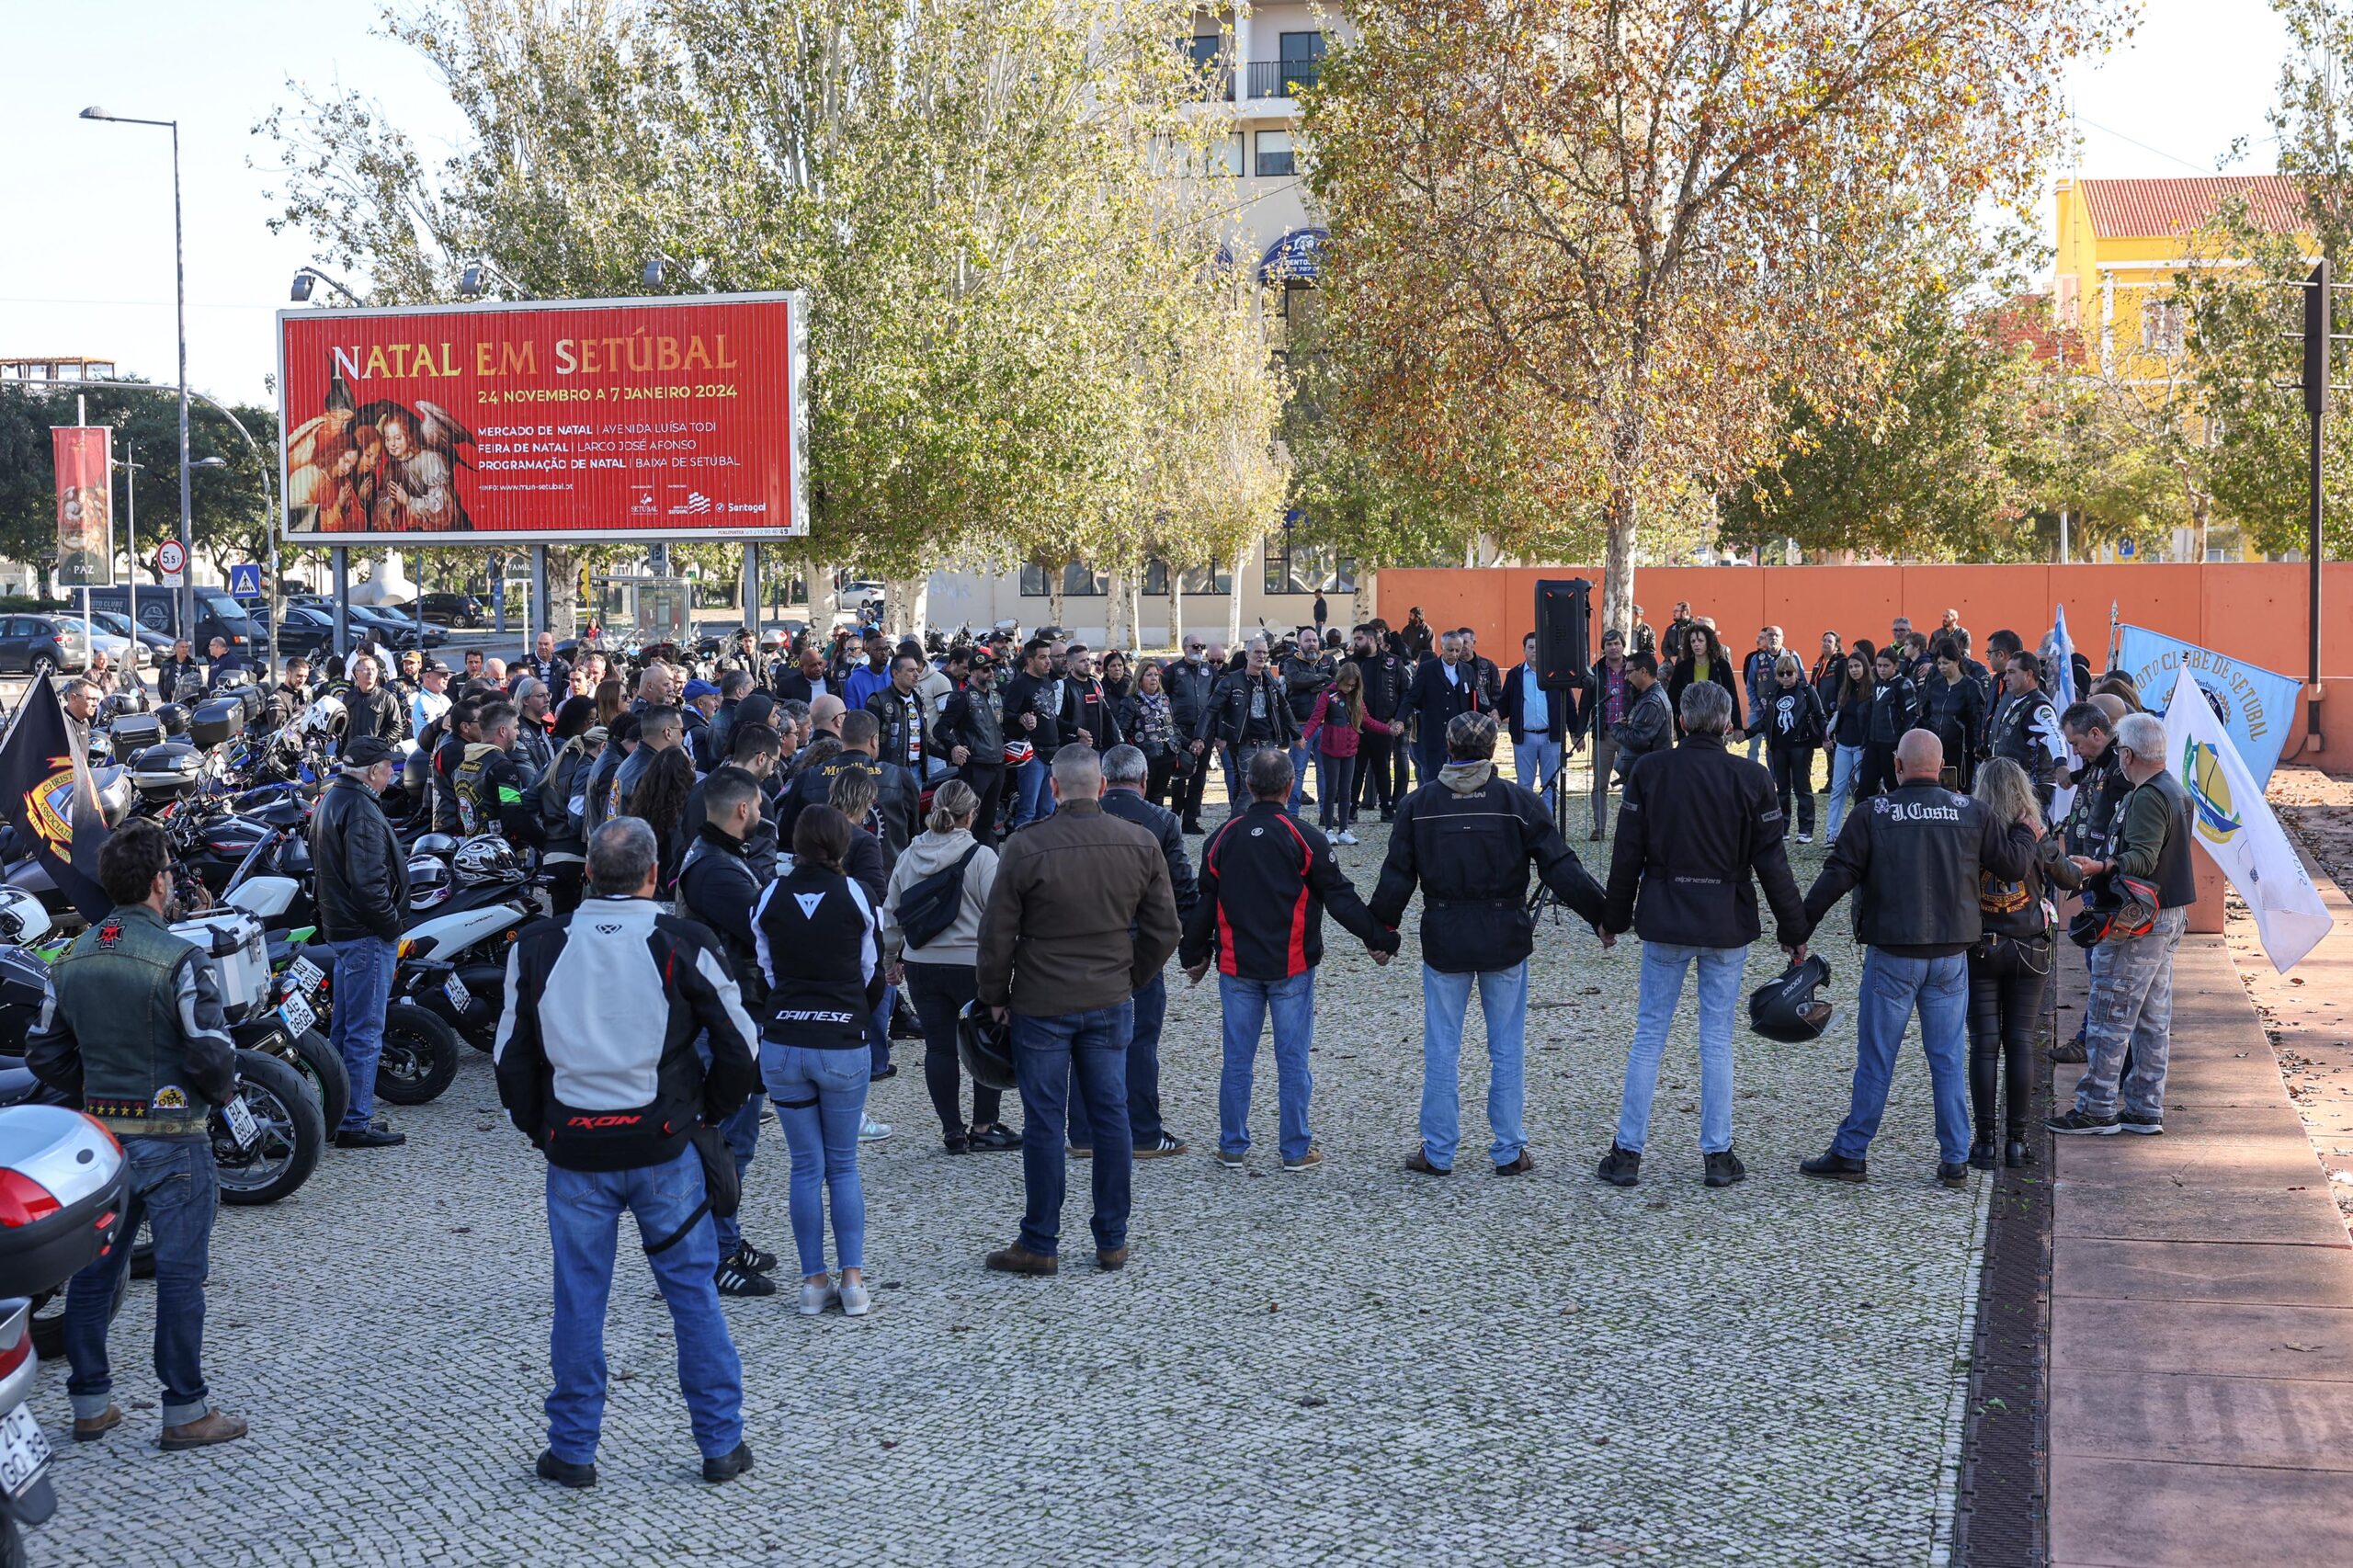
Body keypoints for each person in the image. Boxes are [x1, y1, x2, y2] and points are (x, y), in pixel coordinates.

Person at [493, 817, 759, 1487]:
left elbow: (509, 1058)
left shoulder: (537, 945)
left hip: (576, 1150)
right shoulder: (682, 940)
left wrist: (543, 1129)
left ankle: (573, 1450)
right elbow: (741, 1046)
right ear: (655, 874)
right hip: (664, 1146)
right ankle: (720, 1444)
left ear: (587, 872)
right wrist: (710, 1114)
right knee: (693, 1297)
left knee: (579, 1300)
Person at [27, 818, 247, 1449]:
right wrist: (221, 1094)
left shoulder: (71, 959)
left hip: (102, 1142)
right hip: (174, 1136)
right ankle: (185, 1411)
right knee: (180, 1276)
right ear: (158, 882)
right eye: (170, 873)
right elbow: (211, 1052)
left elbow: (44, 1052)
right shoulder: (179, 957)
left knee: (94, 1275)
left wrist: (91, 1087)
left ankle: (90, 1406)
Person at [1796, 729, 2037, 1188]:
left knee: (1877, 1058)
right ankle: (1954, 1158)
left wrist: (1798, 928)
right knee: (1947, 1059)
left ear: (1897, 766)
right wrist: (2026, 831)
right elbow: (2012, 866)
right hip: (1951, 956)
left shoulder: (1873, 813)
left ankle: (1852, 1152)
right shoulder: (1972, 812)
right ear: (1942, 768)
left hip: (1893, 954)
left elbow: (1837, 875)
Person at [1371, 712, 1608, 1176]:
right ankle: (1509, 1149)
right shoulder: (1518, 802)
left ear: (1448, 747)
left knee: (1443, 1047)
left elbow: (1397, 875)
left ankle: (1439, 1150)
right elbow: (1560, 866)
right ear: (1493, 749)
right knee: (1506, 1048)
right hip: (1505, 935)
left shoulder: (1420, 804)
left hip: (1445, 934)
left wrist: (1381, 932)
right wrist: (1602, 915)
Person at [974, 747, 1180, 1276]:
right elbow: (1165, 929)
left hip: (1041, 1001)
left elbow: (996, 933)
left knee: (1045, 1121)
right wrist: (1130, 977)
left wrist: (994, 995)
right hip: (1109, 997)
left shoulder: (1026, 845)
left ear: (1054, 789)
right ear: (1104, 786)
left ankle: (1040, 1241)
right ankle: (1112, 1239)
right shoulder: (1139, 841)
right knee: (1111, 1116)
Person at [1597, 682, 1806, 1188]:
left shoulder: (1651, 771)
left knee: (1650, 1035)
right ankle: (1717, 1154)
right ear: (1728, 724)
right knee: (1716, 1039)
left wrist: (1613, 917)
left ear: (1683, 722)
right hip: (1724, 919)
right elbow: (1772, 862)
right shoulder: (1751, 777)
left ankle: (1627, 1153)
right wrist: (1794, 928)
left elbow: (1627, 853)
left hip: (1666, 915)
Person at [1183, 749, 1397, 1173]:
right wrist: (1379, 938)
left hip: (1238, 966)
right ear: (1290, 786)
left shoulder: (1223, 837)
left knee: (1237, 1060)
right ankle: (1295, 1149)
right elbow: (1339, 897)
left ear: (1248, 786)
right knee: (1293, 1060)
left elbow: (1204, 901)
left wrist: (1194, 953)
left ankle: (1232, 1145)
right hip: (1291, 965)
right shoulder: (1305, 837)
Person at [744, 804, 883, 1317]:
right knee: (842, 1165)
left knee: (805, 1166)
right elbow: (871, 971)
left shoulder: (768, 895)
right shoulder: (857, 894)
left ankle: (812, 1282)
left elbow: (765, 970)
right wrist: (848, 1010)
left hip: (783, 1042)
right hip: (842, 1039)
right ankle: (853, 1283)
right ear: (843, 844)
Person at [2049, 711, 2196, 1137]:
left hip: (2139, 920)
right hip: (2167, 914)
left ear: (2128, 754)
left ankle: (2096, 1107)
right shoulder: (2173, 788)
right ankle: (2144, 1108)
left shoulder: (2147, 795)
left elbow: (2142, 859)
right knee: (2151, 1019)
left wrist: (2101, 865)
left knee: (2109, 1014)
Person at [672, 767, 782, 1298]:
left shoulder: (720, 858)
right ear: (742, 810)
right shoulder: (716, 871)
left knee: (735, 1141)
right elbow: (766, 930)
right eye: (758, 806)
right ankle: (713, 1256)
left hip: (730, 1015)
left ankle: (725, 1239)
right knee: (724, 1145)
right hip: (721, 1022)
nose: (761, 814)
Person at [1071, 744, 1199, 1161]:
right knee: (1141, 1040)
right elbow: (1183, 890)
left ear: (1104, 781)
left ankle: (1084, 1132)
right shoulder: (1162, 821)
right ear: (1144, 781)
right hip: (1140, 945)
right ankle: (1143, 1130)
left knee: (1083, 1037)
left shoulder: (1077, 819)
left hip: (1084, 943)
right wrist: (1194, 948)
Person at [881, 780, 1016, 1154]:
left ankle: (952, 1131)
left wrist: (891, 960)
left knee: (939, 1049)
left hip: (922, 963)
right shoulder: (981, 857)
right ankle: (984, 1126)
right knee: (984, 1043)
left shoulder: (910, 855)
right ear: (971, 815)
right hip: (971, 965)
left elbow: (891, 914)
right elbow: (1000, 917)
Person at [1966, 757, 2082, 1169]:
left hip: (1981, 948)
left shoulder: (1972, 827)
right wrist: (2045, 841)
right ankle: (2016, 1143)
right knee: (2019, 1042)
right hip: (2029, 949)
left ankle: (1983, 1144)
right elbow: (2070, 878)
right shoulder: (2032, 831)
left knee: (1983, 1044)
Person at [311, 735, 412, 1150]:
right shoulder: (361, 808)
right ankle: (354, 1121)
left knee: (345, 1030)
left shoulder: (334, 799)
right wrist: (391, 927)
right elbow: (369, 886)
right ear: (373, 772)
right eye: (388, 769)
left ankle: (339, 1113)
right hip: (365, 934)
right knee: (364, 1032)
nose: (392, 776)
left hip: (345, 931)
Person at [1201, 639, 1296, 809]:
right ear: (1247, 655)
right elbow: (1212, 710)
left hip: (1268, 740)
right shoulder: (1232, 680)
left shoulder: (1268, 678)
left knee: (1268, 787)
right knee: (1248, 790)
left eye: (1265, 652)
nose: (1261, 656)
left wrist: (1297, 735)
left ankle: (1260, 820)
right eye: (1257, 652)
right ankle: (1236, 822)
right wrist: (1203, 737)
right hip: (1245, 742)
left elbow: (1284, 706)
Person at [936, 653, 1009, 847]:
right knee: (968, 817)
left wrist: (1022, 721)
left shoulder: (996, 697)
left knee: (988, 818)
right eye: (986, 669)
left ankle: (982, 855)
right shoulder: (962, 697)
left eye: (993, 668)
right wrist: (954, 746)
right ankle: (962, 853)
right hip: (975, 766)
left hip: (997, 764)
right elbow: (940, 728)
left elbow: (1003, 725)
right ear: (973, 673)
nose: (991, 673)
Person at [457, 701, 551, 850]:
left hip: (473, 849)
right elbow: (513, 813)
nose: (518, 733)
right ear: (503, 731)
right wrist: (545, 842)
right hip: (501, 852)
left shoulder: (463, 763)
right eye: (515, 727)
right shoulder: (501, 766)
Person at [1301, 660, 1376, 844]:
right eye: (1347, 684)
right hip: (1330, 750)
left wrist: (1388, 729)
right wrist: (1304, 737)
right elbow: (1315, 719)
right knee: (1331, 789)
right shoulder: (1328, 695)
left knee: (1346, 791)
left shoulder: (1355, 697)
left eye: (1352, 685)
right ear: (1340, 680)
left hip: (1350, 751)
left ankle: (1344, 830)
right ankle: (1328, 829)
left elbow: (1367, 720)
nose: (1349, 688)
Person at [1756, 652, 1827, 845]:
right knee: (1782, 789)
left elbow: (1820, 715)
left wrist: (1826, 736)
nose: (1786, 677)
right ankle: (1782, 828)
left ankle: (1806, 829)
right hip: (1778, 746)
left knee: (1802, 787)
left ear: (1796, 673)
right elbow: (1765, 721)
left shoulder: (1807, 691)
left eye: (1789, 673)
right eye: (1782, 674)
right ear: (1777, 676)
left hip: (1801, 745)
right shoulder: (1774, 694)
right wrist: (1745, 733)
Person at [1398, 631, 1483, 784]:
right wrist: (1400, 719)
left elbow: (1474, 701)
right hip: (1434, 735)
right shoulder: (1427, 669)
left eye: (1458, 650)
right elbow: (1411, 698)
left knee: (1460, 780)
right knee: (1433, 779)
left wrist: (1494, 712)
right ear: (1442, 647)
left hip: (1460, 736)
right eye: (1450, 650)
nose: (1454, 654)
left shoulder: (1467, 670)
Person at [1346, 626, 1410, 824]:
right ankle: (1351, 808)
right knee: (1356, 768)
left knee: (1382, 767)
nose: (1356, 643)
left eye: (1359, 639)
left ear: (1372, 640)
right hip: (1357, 726)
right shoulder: (1351, 663)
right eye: (1355, 639)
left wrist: (1397, 718)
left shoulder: (1393, 662)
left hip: (1384, 724)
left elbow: (1405, 692)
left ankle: (1387, 808)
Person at [1500, 631, 1567, 820]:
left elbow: (1568, 703)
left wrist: (1576, 733)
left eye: (1538, 648)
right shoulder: (1515, 674)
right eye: (1530, 647)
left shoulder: (1556, 674)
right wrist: (1497, 713)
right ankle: (1526, 822)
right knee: (1524, 785)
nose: (1535, 651)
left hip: (1551, 738)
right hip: (1524, 738)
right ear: (1524, 650)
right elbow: (1505, 701)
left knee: (1551, 783)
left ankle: (1548, 821)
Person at [1002, 639, 1066, 829]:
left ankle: (1043, 845)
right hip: (1032, 755)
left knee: (1048, 809)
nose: (1048, 662)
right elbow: (1005, 715)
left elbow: (1051, 716)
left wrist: (1075, 729)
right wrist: (1021, 719)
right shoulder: (1019, 685)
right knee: (1028, 810)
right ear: (1030, 660)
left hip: (1052, 752)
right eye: (1043, 657)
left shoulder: (1047, 682)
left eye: (1048, 657)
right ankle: (1021, 845)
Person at [1988, 650, 2064, 808]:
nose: (2005, 677)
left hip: (2029, 792)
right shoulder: (2019, 701)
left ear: (2028, 674)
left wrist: (2061, 764)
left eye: (2011, 672)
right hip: (2012, 789)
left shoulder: (2039, 707)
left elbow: (2054, 736)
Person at [1164, 637, 1220, 833]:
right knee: (1179, 773)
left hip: (1204, 730)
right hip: (1180, 729)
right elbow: (1164, 698)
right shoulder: (1172, 671)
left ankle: (1191, 819)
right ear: (1184, 648)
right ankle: (1175, 813)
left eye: (1202, 647)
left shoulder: (1210, 671)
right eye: (1195, 646)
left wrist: (1218, 733)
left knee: (1199, 776)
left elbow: (1217, 702)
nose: (1199, 650)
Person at [1580, 628, 1631, 841]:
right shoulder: (1595, 671)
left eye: (1617, 643)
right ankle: (1599, 827)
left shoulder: (1633, 668)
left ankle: (1629, 826)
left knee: (1630, 782)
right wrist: (1578, 733)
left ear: (1623, 646)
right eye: (1609, 644)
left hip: (1629, 735)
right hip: (1604, 734)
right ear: (1603, 648)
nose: (1613, 648)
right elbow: (1585, 705)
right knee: (1600, 783)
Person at [1922, 638, 1988, 793]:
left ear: (1957, 661)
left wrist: (1978, 746)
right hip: (1936, 748)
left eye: (1946, 663)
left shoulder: (1970, 686)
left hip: (1960, 750)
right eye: (1939, 663)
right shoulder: (1935, 685)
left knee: (1959, 791)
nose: (1941, 667)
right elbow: (1926, 714)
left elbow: (1977, 718)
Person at [1116, 660, 1184, 810]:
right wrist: (1131, 754)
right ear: (1140, 679)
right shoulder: (1130, 702)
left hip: (1168, 755)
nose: (1154, 678)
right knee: (1143, 795)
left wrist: (1179, 742)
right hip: (1145, 757)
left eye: (1156, 675)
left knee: (1159, 796)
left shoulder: (1164, 699)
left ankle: (1156, 822)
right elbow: (1121, 731)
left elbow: (1172, 724)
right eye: (1149, 675)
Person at [629, 745, 698, 891]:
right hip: (667, 891)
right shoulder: (679, 817)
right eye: (691, 765)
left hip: (643, 886)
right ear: (684, 774)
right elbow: (680, 860)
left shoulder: (641, 808)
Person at [1279, 630, 1334, 811]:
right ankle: (1293, 813)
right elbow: (1294, 680)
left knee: (1324, 771)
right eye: (1307, 640)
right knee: (1297, 770)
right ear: (1299, 644)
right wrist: (1321, 679)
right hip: (1301, 726)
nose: (1312, 644)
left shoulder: (1329, 660)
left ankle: (1325, 814)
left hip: (1326, 724)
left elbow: (1337, 682)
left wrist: (1311, 684)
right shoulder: (1290, 662)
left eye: (1314, 640)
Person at [1823, 651, 1873, 843]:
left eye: (1857, 666)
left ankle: (1859, 833)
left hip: (1861, 747)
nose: (1854, 670)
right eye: (1851, 667)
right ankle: (1831, 834)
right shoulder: (1845, 691)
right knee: (1838, 789)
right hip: (1844, 745)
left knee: (1860, 790)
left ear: (1865, 667)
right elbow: (1838, 716)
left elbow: (1872, 721)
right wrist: (1827, 734)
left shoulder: (1872, 691)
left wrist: (1868, 744)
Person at [1856, 648, 1917, 801]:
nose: (1881, 669)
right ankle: (1863, 816)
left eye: (1886, 666)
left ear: (1895, 665)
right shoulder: (1877, 684)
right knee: (1864, 789)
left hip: (1892, 745)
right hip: (1873, 743)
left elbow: (1912, 717)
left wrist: (1902, 745)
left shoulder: (1904, 684)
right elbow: (1872, 716)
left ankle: (1897, 816)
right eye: (1879, 665)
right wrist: (1865, 743)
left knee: (1894, 788)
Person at [865, 652, 932, 785]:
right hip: (888, 773)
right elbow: (867, 739)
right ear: (896, 673)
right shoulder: (878, 700)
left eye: (917, 670)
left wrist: (952, 749)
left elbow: (923, 736)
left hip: (916, 771)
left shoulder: (917, 701)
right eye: (911, 670)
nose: (917, 674)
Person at [1609, 651, 1674, 782]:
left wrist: (1616, 728)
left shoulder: (1652, 702)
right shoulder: (1646, 697)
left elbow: (1638, 740)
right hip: (1642, 774)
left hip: (1647, 777)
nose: (1626, 678)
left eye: (1629, 672)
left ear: (1643, 671)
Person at [1667, 621, 1739, 736]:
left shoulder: (1722, 666)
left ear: (1708, 642)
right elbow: (1672, 697)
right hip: (1689, 722)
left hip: (1715, 722)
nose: (1696, 644)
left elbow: (1732, 695)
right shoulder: (1682, 667)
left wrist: (1738, 726)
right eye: (1693, 641)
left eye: (1700, 641)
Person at [1059, 645, 1123, 754]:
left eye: (1088, 659)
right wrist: (1076, 740)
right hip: (1074, 751)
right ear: (1070, 665)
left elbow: (1107, 715)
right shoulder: (1062, 686)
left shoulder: (1095, 683)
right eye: (1082, 661)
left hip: (1099, 748)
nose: (1087, 663)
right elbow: (1055, 721)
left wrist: (1118, 741)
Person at [1740, 627, 1786, 764]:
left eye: (1777, 635)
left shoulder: (1791, 656)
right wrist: (1757, 706)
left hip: (1782, 710)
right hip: (1758, 709)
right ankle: (1754, 773)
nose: (1774, 638)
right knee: (1754, 745)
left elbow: (1801, 682)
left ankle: (1774, 774)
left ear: (1783, 638)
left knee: (1775, 746)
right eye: (1770, 635)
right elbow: (1750, 685)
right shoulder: (1756, 659)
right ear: (1766, 639)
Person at [344, 654, 404, 745]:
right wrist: (342, 750)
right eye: (366, 669)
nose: (370, 673)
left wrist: (379, 744)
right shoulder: (348, 697)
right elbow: (344, 728)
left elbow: (397, 728)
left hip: (377, 752)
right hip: (352, 750)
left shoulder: (387, 698)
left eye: (373, 669)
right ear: (357, 673)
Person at [409, 658, 453, 739]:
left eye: (447, 674)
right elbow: (428, 736)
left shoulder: (445, 699)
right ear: (428, 676)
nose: (446, 678)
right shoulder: (423, 703)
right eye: (442, 674)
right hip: (434, 746)